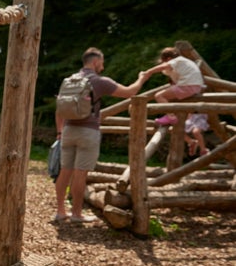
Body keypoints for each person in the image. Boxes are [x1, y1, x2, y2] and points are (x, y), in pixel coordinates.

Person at [55, 47, 149, 223]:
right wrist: (141, 78)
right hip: (88, 131)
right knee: (80, 174)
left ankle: (60, 211)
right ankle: (76, 214)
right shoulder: (98, 82)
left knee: (65, 171)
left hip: (68, 130)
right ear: (95, 62)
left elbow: (59, 107)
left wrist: (59, 131)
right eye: (102, 63)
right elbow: (130, 92)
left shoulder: (69, 81)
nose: (103, 67)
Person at [142, 47, 204, 126]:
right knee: (169, 97)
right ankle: (172, 115)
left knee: (159, 96)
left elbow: (163, 67)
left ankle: (171, 117)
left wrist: (148, 72)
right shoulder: (185, 62)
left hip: (187, 86)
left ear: (169, 58)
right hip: (196, 87)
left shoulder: (176, 60)